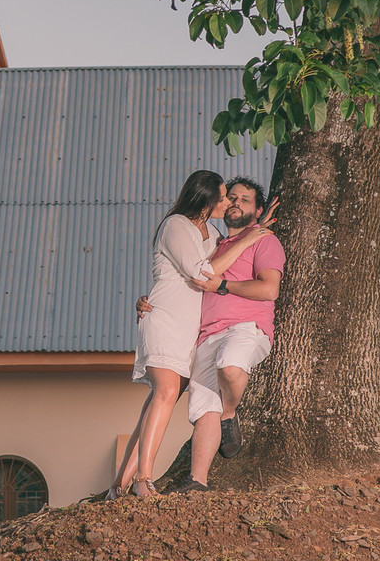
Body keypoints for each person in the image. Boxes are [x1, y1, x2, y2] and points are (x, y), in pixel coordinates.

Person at [108, 170, 274, 499]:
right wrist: (249, 238)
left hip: (191, 329)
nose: (228, 203)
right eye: (224, 196)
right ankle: (144, 479)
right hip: (166, 319)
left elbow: (225, 254)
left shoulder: (211, 233)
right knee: (166, 393)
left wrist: (255, 229)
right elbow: (202, 274)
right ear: (206, 199)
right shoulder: (176, 226)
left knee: (158, 402)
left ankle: (118, 484)